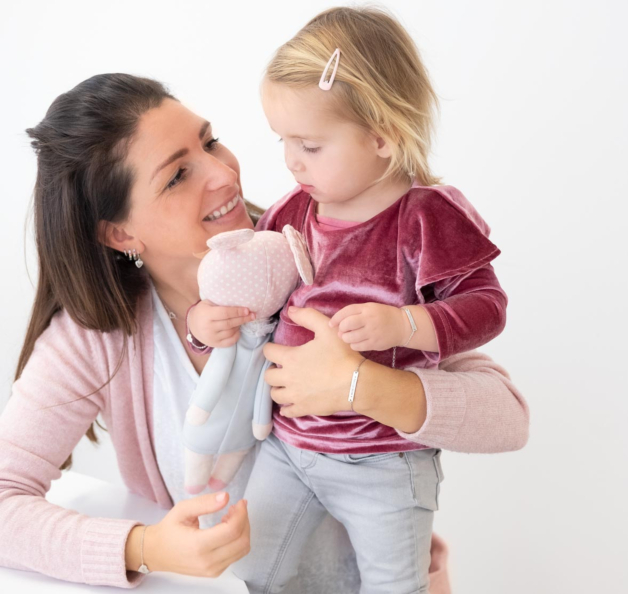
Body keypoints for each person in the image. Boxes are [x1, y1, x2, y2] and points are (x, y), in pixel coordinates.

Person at [0, 73, 529, 592]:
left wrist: (359, 384)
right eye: (177, 175)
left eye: (210, 142)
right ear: (120, 233)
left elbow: (508, 417)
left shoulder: (317, 246)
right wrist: (146, 547)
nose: (223, 174)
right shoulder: (97, 337)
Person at [188, 7, 510, 593]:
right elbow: (252, 293)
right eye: (282, 141)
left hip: (386, 463)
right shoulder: (295, 210)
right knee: (247, 576)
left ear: (382, 136)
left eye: (308, 144)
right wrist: (204, 322)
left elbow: (488, 307)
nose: (290, 161)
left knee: (393, 585)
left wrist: (406, 324)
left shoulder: (426, 217)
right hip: (290, 450)